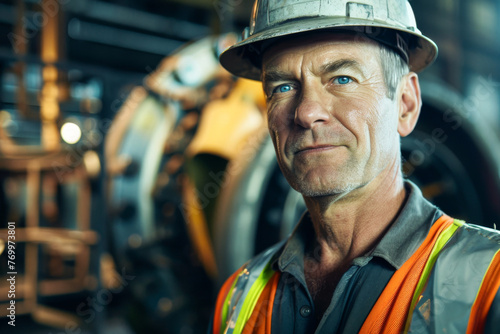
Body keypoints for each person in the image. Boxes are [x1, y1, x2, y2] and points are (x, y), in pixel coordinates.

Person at [212, 0, 500, 333]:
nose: (306, 112)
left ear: (405, 105)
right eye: (283, 87)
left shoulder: (489, 281)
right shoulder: (238, 298)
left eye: (342, 79)